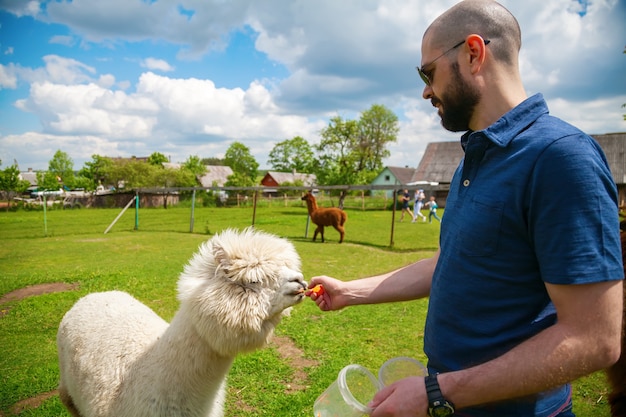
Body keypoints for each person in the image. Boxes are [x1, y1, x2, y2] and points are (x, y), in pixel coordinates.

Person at [307, 1, 624, 416]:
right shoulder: (474, 160)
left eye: (427, 72)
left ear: (473, 54)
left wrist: (439, 392)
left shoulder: (561, 158)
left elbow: (595, 339)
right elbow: (448, 263)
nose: (424, 90)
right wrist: (349, 292)